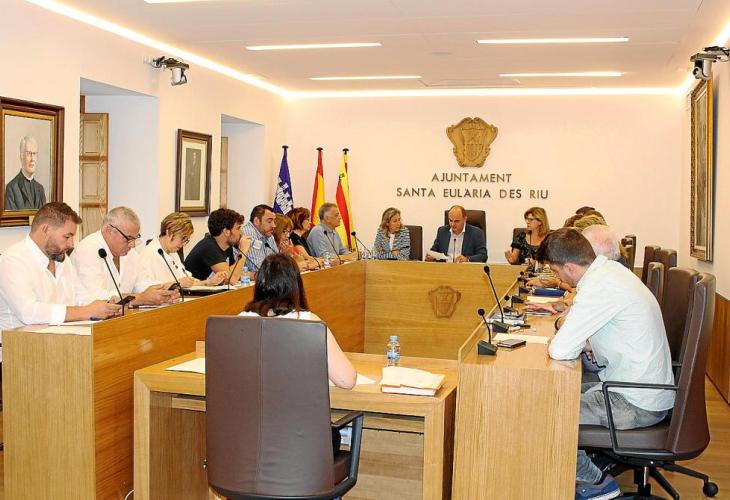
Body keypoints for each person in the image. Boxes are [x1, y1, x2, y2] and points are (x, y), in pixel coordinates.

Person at [536, 228, 674, 500]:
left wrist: (572, 339)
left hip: (634, 402)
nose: (557, 278)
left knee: (546, 411)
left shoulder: (600, 286)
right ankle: (578, 469)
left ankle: (597, 483)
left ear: (569, 267)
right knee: (550, 392)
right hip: (637, 388)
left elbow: (560, 350)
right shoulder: (609, 274)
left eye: (555, 271)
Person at [0, 202, 120, 335]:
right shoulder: (13, 260)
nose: (71, 244)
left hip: (59, 340)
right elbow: (29, 313)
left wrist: (107, 305)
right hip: (18, 344)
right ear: (45, 230)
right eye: (67, 237)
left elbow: (80, 297)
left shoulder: (61, 258)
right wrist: (87, 311)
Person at [239, 254, 356, 389]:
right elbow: (346, 380)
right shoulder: (310, 323)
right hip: (297, 401)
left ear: (259, 284)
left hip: (248, 401)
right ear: (296, 285)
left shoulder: (239, 321)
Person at [72, 206, 180, 306]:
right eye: (128, 238)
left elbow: (142, 283)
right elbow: (94, 297)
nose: (132, 245)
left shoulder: (130, 253)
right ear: (109, 230)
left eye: (135, 239)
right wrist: (140, 299)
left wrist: (163, 292)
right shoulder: (87, 250)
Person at [138, 212, 227, 288]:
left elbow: (187, 282)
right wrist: (177, 284)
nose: (183, 244)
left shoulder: (173, 253)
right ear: (169, 232)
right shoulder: (148, 254)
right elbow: (146, 289)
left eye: (186, 240)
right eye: (183, 238)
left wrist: (209, 282)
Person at [184, 208, 251, 283]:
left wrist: (254, 275)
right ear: (226, 231)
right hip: (196, 289)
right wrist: (244, 250)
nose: (241, 232)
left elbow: (234, 272)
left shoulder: (227, 246)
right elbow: (231, 279)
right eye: (238, 228)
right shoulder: (209, 247)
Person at [5, 136, 47, 211]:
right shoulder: (11, 188)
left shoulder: (40, 189)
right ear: (21, 157)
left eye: (34, 154)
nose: (32, 159)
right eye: (29, 153)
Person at [242, 204, 278, 271]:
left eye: (274, 221)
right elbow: (257, 268)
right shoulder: (248, 233)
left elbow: (277, 260)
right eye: (269, 221)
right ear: (256, 221)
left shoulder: (268, 234)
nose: (274, 225)